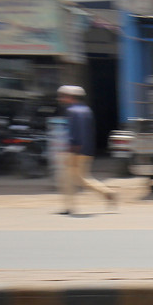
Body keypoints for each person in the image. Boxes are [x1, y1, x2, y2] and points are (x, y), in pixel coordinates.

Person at [56, 85, 116, 215]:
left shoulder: (72, 111)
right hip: (86, 150)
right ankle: (108, 193)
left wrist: (73, 148)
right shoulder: (86, 110)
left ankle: (69, 207)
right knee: (81, 178)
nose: (61, 98)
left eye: (63, 96)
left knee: (67, 178)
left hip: (75, 150)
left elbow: (76, 132)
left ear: (69, 97)